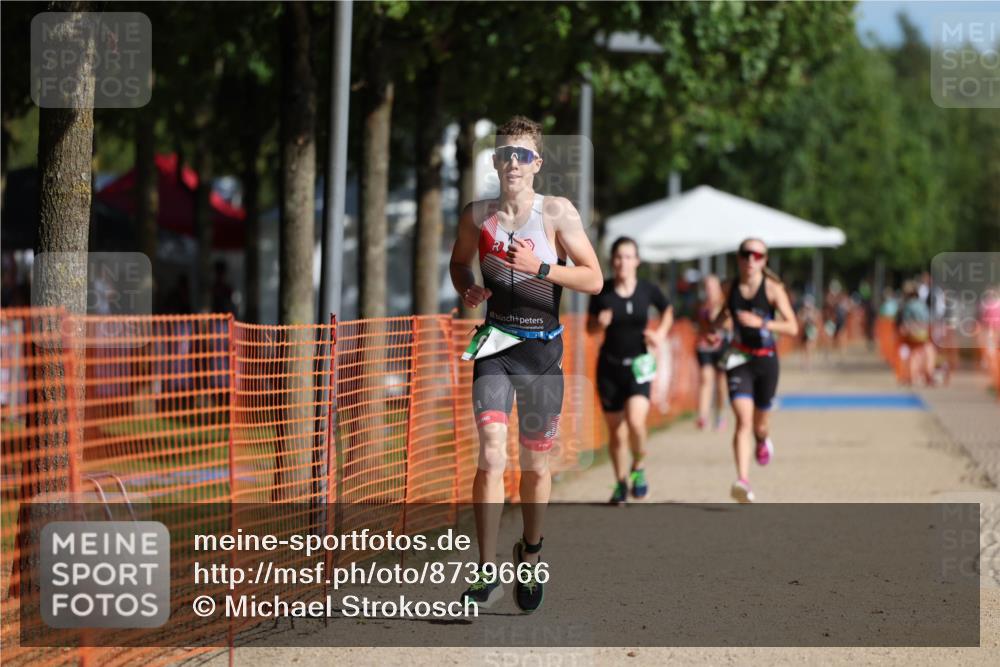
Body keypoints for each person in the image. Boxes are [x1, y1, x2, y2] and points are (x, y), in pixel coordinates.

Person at [449, 116, 602, 612]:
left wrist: (539, 267)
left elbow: (593, 279)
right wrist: (465, 286)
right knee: (492, 453)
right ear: (495, 162)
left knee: (535, 466)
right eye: (505, 154)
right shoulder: (477, 215)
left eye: (523, 154)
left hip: (542, 350)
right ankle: (484, 570)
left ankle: (530, 550)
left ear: (537, 163)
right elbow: (458, 262)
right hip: (495, 345)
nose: (513, 162)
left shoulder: (557, 213)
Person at [708, 238, 798, 503]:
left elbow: (792, 326)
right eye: (746, 254)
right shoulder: (729, 287)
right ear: (739, 258)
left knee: (760, 423)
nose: (751, 260)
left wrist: (763, 323)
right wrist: (715, 330)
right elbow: (723, 316)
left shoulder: (772, 289)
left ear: (764, 260)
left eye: (757, 255)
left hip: (766, 360)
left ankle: (762, 440)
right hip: (738, 358)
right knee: (743, 421)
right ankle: (742, 481)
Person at [587, 237, 673, 505]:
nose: (622, 262)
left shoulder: (647, 289)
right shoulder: (603, 291)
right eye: (618, 257)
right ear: (612, 261)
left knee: (635, 422)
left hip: (639, 365)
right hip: (609, 367)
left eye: (628, 256)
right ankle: (620, 483)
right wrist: (599, 324)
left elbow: (668, 309)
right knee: (616, 432)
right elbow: (589, 329)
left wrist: (660, 333)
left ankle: (638, 467)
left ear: (637, 261)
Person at [694, 274, 728, 431]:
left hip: (722, 348)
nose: (709, 290)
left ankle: (720, 415)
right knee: (706, 379)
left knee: (721, 384)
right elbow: (700, 327)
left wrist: (720, 320)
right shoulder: (702, 306)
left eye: (712, 286)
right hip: (705, 347)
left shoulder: (725, 304)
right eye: (707, 287)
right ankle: (703, 416)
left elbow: (730, 325)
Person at [897, 280, 936, 386]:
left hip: (913, 332)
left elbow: (906, 321)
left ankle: (911, 376)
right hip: (924, 332)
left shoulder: (908, 305)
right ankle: (928, 375)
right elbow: (929, 319)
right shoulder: (922, 305)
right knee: (927, 352)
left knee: (913, 355)